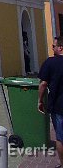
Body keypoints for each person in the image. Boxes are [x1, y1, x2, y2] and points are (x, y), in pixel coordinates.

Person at [38, 36, 63, 166]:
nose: (52, 48)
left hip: (58, 106)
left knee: (60, 137)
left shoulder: (50, 62)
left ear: (60, 47)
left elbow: (43, 84)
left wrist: (40, 101)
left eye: (53, 46)